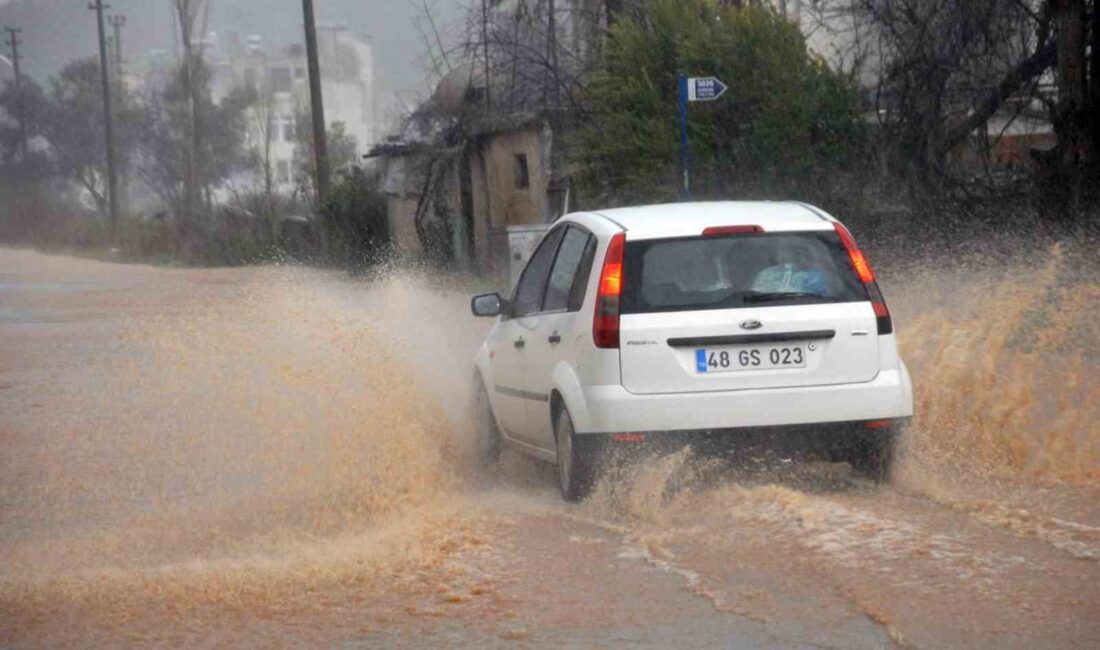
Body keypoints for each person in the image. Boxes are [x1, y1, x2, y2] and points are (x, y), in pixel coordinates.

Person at [750, 239, 830, 296]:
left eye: (803, 252)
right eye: (783, 250)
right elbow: (754, 296)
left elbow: (821, 299)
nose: (799, 256)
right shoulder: (768, 273)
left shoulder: (815, 276)